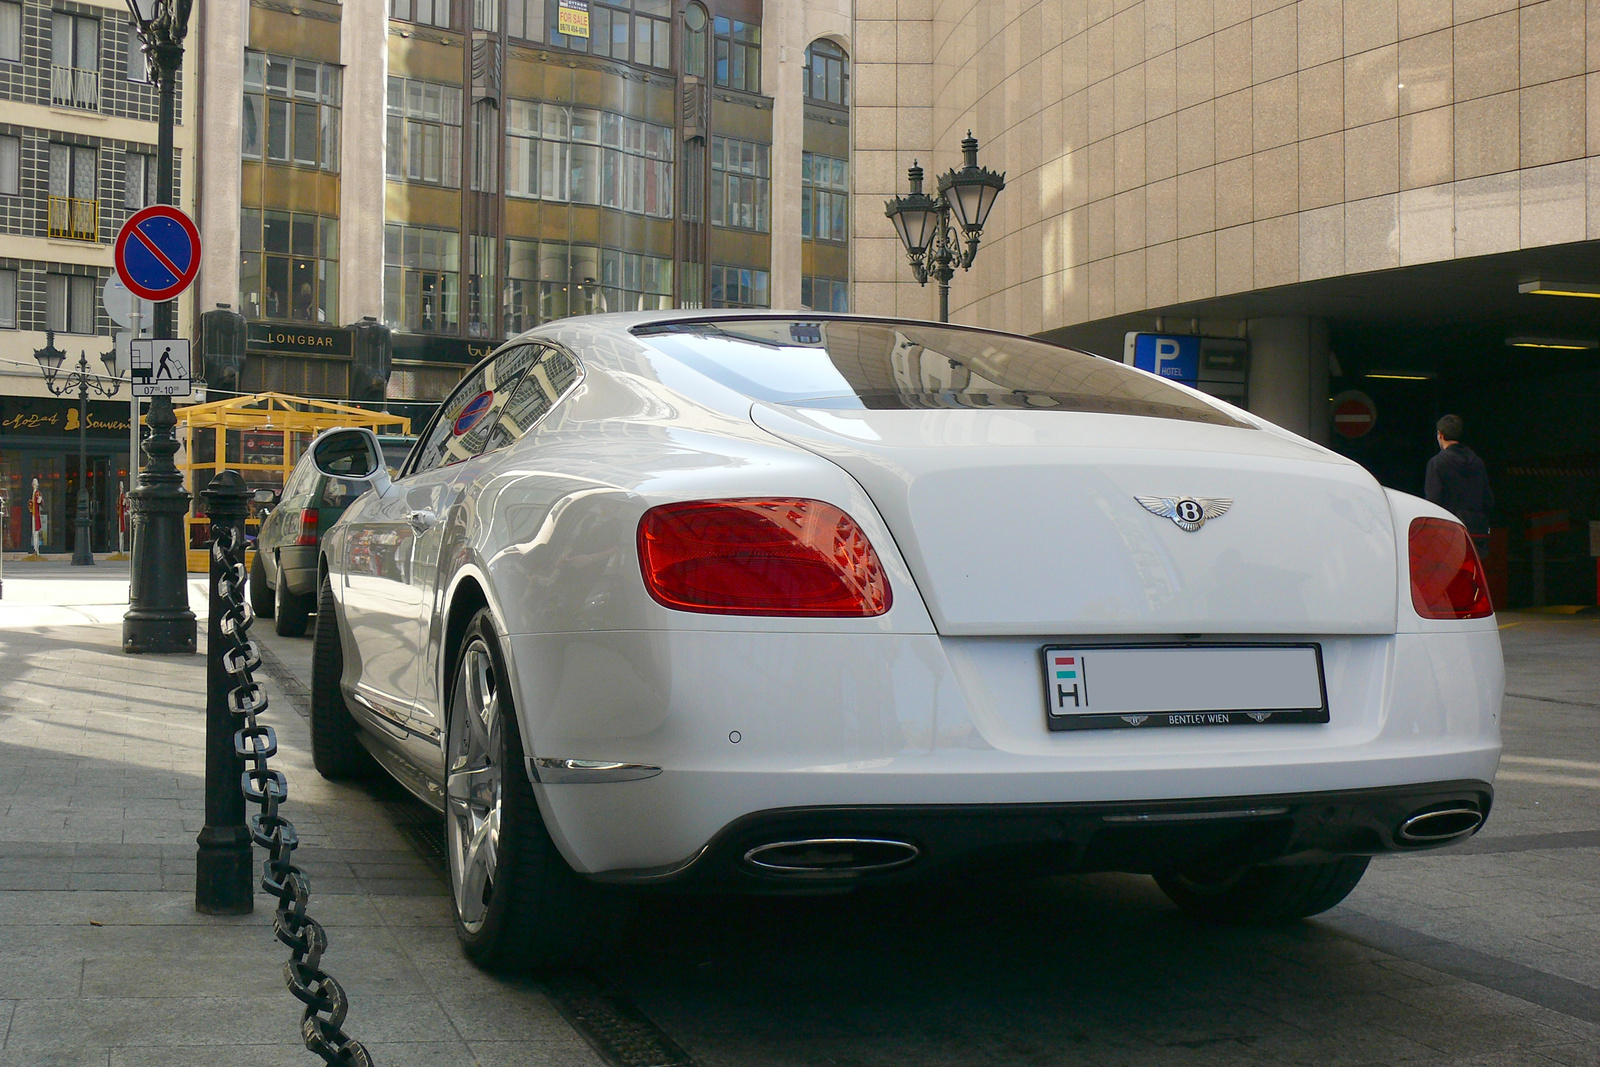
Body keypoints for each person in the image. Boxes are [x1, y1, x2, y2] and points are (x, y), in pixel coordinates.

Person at [1425, 414, 1493, 551]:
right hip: (1477, 533)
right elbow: (1488, 500)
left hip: (1449, 533)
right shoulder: (1478, 462)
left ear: (1440, 435)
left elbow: (1434, 502)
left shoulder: (1437, 463)